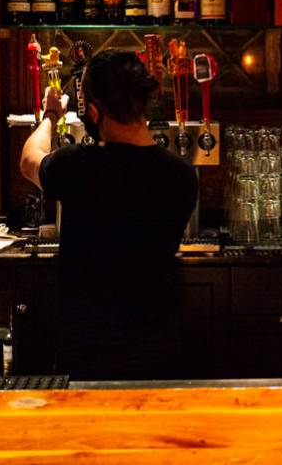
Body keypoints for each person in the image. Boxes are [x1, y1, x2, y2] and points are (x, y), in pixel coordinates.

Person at [20, 49, 198, 380]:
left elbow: (30, 158)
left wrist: (50, 115)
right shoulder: (182, 177)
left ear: (95, 112)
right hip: (159, 353)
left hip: (87, 355)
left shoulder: (76, 166)